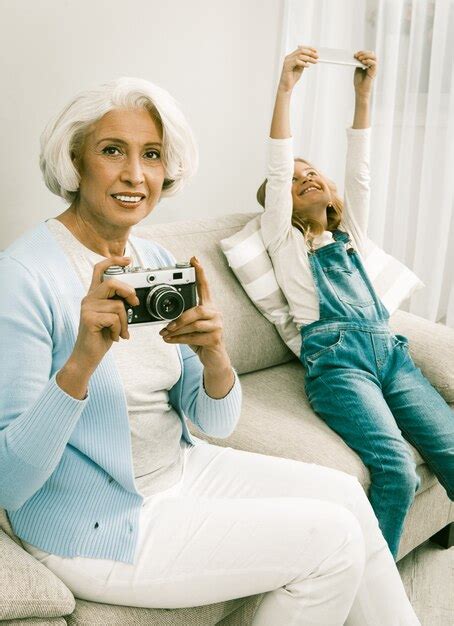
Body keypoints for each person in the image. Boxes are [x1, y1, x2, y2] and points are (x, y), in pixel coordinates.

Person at [0, 76, 421, 625]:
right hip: (91, 521)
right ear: (74, 162)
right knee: (330, 542)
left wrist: (214, 354)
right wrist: (81, 363)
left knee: (345, 493)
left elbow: (213, 421)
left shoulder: (153, 257)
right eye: (112, 151)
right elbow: (10, 480)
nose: (135, 174)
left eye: (152, 155)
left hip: (180, 468)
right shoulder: (24, 277)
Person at [258, 45, 454, 561]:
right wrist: (286, 87)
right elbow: (278, 170)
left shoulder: (353, 236)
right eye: (297, 182)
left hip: (391, 354)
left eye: (312, 172)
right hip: (338, 365)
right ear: (285, 206)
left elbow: (360, 169)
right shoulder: (284, 242)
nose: (307, 178)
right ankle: (374, 595)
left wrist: (363, 97)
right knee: (394, 468)